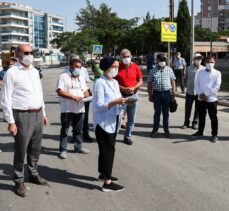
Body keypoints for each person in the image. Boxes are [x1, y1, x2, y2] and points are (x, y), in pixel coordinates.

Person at [1, 44, 49, 197]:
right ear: (18, 55)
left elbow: (39, 94)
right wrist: (11, 121)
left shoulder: (34, 71)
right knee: (21, 148)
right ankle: (18, 179)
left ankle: (33, 173)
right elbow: (6, 98)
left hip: (37, 113)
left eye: (31, 52)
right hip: (22, 115)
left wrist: (44, 113)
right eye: (26, 52)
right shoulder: (12, 72)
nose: (30, 55)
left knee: (35, 147)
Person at [93, 56, 130, 192]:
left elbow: (116, 100)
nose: (116, 69)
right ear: (106, 68)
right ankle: (107, 184)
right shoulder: (99, 83)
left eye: (117, 66)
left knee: (107, 149)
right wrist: (116, 102)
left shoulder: (114, 82)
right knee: (108, 151)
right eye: (113, 66)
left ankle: (104, 173)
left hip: (114, 120)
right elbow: (99, 106)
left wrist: (125, 102)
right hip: (103, 123)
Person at [56, 58, 90, 159]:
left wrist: (85, 94)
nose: (79, 69)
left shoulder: (80, 78)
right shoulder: (63, 76)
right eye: (77, 67)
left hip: (80, 108)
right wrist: (74, 97)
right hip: (67, 109)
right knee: (65, 130)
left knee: (78, 130)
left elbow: (86, 91)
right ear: (71, 67)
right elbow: (60, 91)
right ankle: (63, 150)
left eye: (80, 67)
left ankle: (78, 147)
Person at [115, 49, 143, 145]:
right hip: (121, 96)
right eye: (124, 56)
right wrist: (122, 88)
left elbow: (140, 81)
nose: (126, 58)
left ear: (131, 56)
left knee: (131, 119)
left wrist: (134, 87)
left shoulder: (135, 67)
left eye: (128, 56)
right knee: (118, 119)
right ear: (120, 57)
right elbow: (112, 82)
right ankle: (113, 136)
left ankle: (127, 136)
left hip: (133, 96)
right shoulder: (117, 67)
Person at [192, 56, 221, 143]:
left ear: (214, 62)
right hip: (201, 99)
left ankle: (214, 135)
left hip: (211, 99)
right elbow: (196, 84)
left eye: (211, 62)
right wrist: (200, 94)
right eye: (208, 62)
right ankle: (200, 132)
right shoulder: (200, 72)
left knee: (213, 118)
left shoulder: (217, 73)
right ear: (205, 63)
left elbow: (217, 86)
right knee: (201, 116)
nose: (209, 64)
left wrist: (206, 95)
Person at [147, 53, 176, 137]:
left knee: (166, 113)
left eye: (164, 60)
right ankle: (155, 130)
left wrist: (173, 93)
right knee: (157, 113)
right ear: (157, 61)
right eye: (161, 60)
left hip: (167, 94)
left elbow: (173, 81)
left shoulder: (169, 69)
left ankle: (166, 130)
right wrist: (150, 95)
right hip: (157, 94)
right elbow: (149, 83)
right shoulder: (152, 71)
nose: (162, 62)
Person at [181, 53, 205, 129]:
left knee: (198, 109)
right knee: (188, 108)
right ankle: (186, 123)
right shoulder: (188, 68)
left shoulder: (203, 69)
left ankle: (195, 123)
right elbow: (186, 79)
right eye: (197, 59)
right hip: (190, 92)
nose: (198, 60)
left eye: (200, 59)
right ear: (193, 59)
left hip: (199, 92)